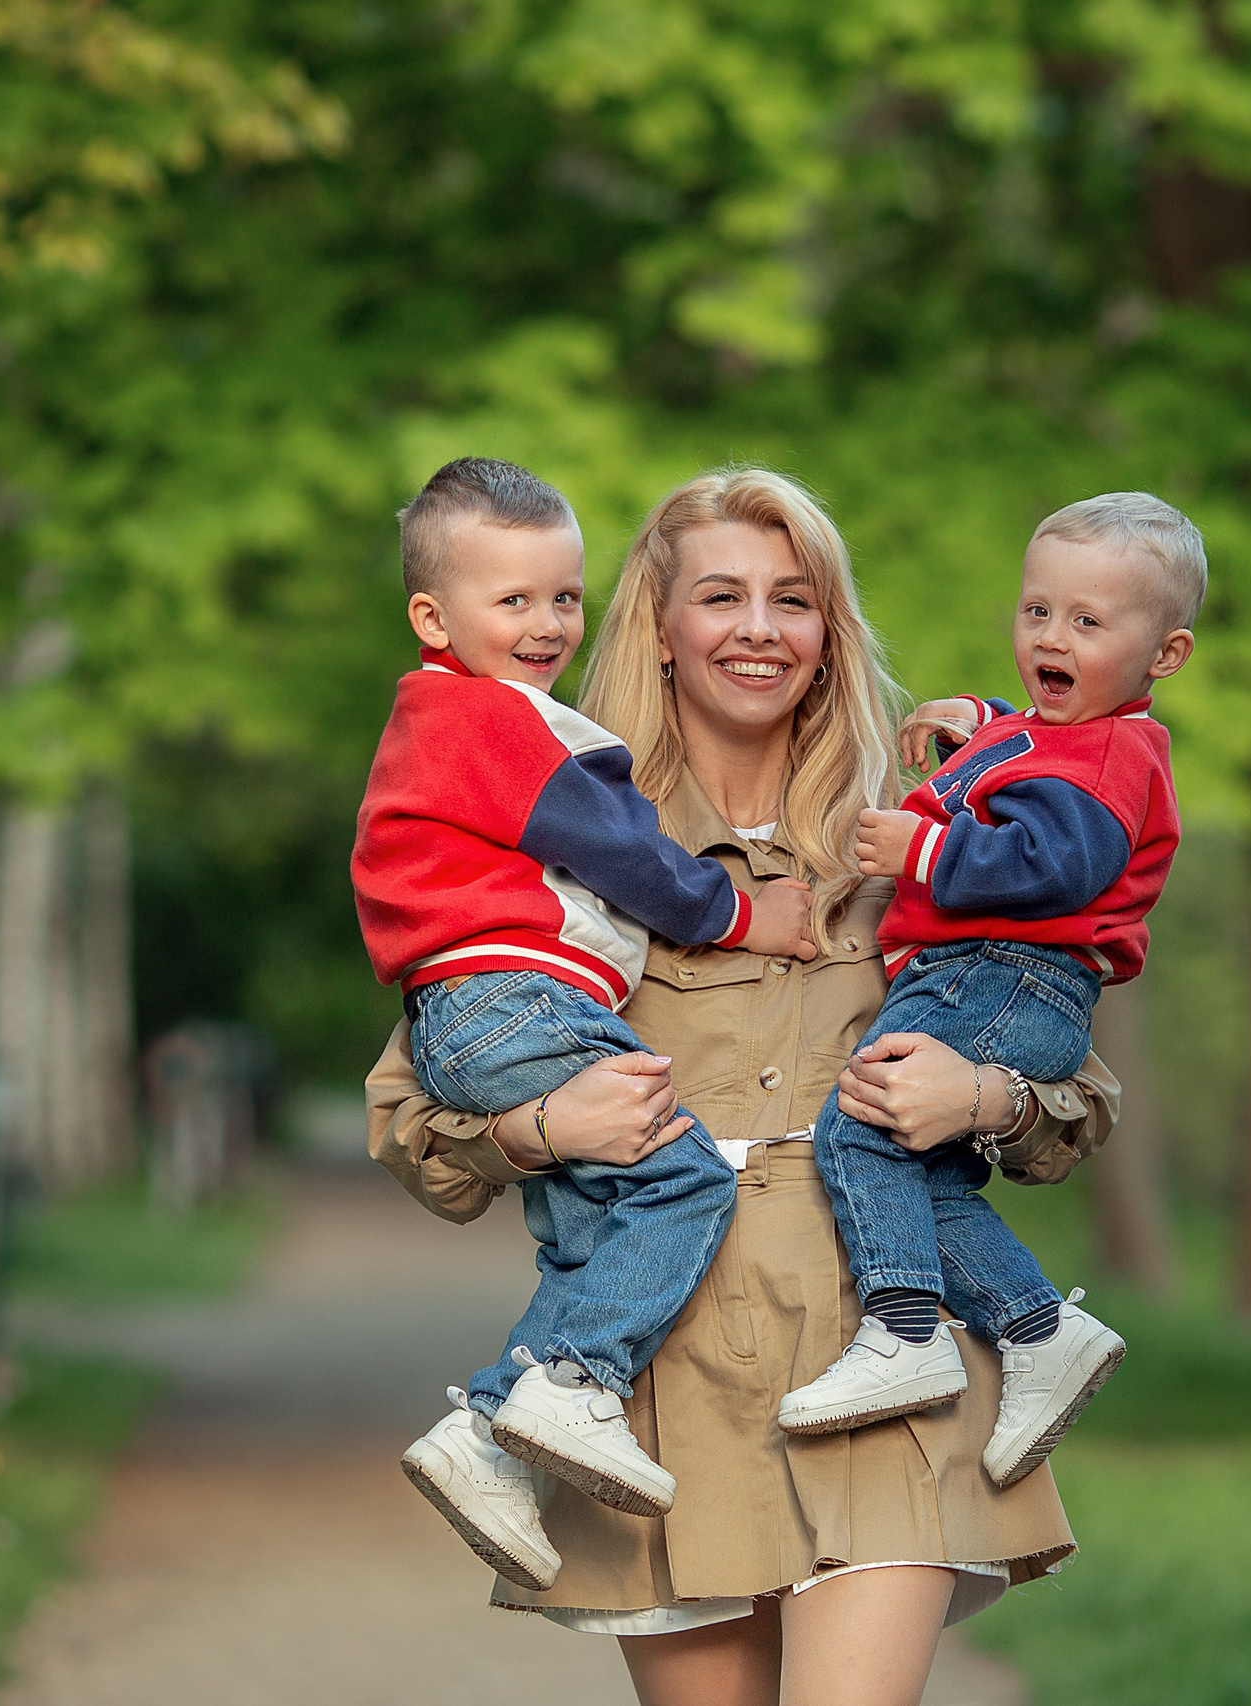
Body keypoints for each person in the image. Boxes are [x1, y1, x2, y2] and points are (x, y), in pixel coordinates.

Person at [368, 466, 1122, 1706]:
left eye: (795, 599)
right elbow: (413, 1121)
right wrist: (545, 1124)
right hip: (658, 1383)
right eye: (722, 596)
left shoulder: (922, 838)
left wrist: (979, 1099)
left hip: (887, 1358)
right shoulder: (557, 829)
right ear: (659, 627)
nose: (760, 630)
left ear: (830, 634)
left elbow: (1071, 1094)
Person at [353, 457, 819, 1590]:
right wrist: (741, 913)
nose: (548, 622)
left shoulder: (449, 717)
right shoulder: (510, 725)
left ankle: (493, 1433)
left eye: (563, 596)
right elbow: (625, 856)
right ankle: (559, 1390)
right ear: (433, 615)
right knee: (683, 1175)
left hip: (478, 998)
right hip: (511, 994)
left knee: (581, 1236)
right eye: (512, 600)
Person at [779, 493, 1201, 1494]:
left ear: (1165, 653)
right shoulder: (1071, 733)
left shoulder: (1109, 757)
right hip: (995, 977)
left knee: (858, 1123)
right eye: (1036, 612)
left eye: (1088, 623)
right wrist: (981, 724)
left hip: (1005, 972)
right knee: (916, 1173)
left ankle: (904, 1331)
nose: (1050, 637)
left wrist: (926, 845)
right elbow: (1032, 759)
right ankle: (1036, 1328)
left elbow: (1057, 862)